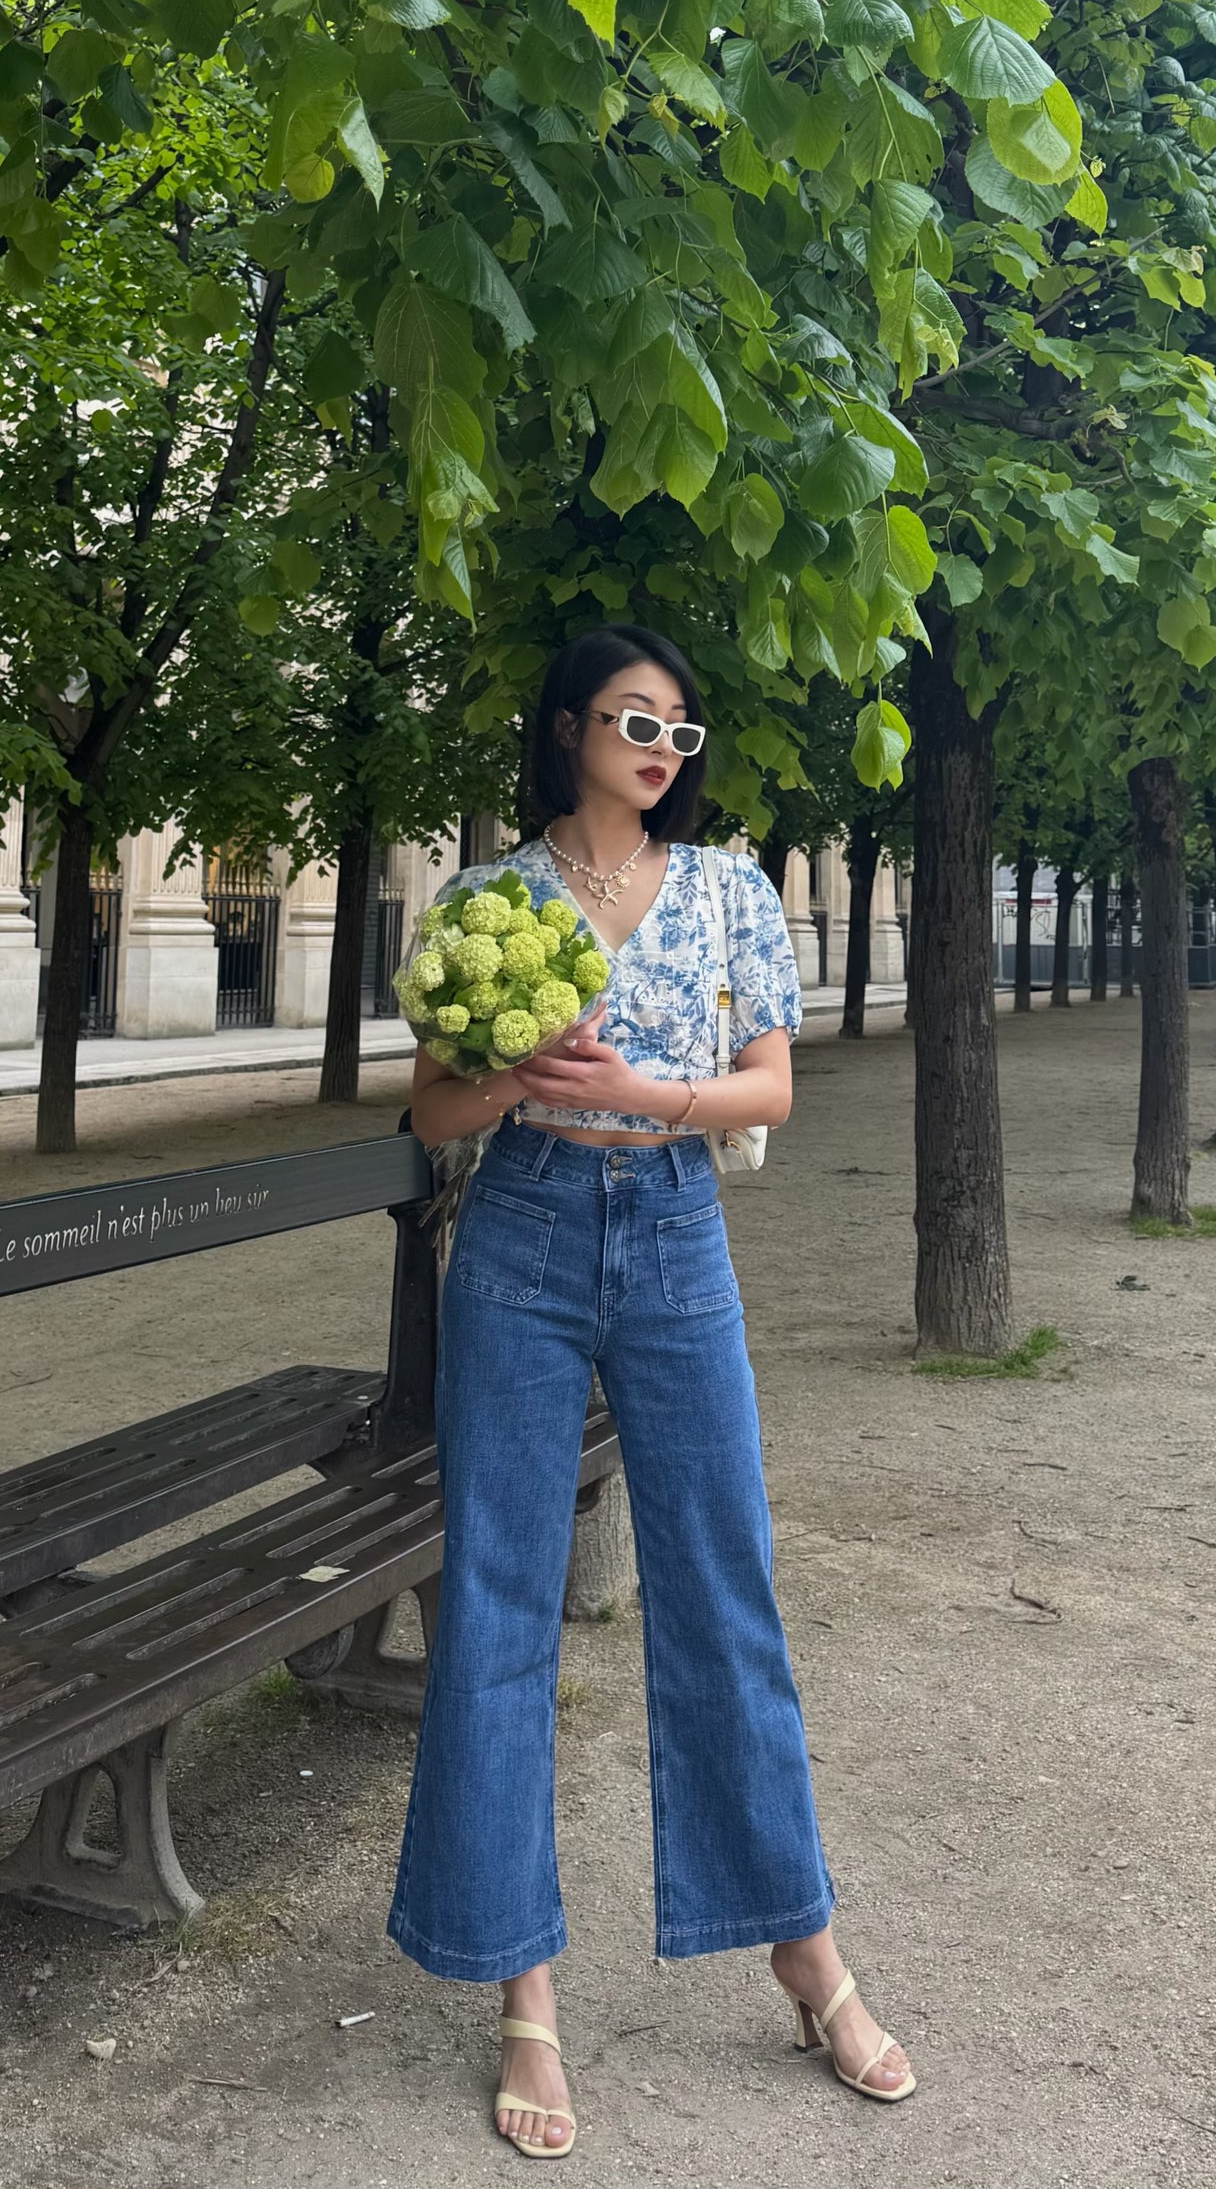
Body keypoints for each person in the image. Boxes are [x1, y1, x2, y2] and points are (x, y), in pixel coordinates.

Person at [387, 623, 915, 2158]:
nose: (662, 749)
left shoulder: (733, 890)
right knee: (496, 1600)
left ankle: (803, 1958)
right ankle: (523, 2000)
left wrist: (641, 1093)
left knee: (723, 1591)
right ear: (568, 730)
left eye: (680, 731)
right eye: (636, 721)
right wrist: (521, 1071)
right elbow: (434, 1109)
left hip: (676, 1231)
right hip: (525, 1237)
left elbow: (770, 1088)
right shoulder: (487, 900)